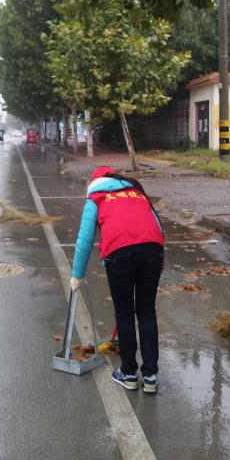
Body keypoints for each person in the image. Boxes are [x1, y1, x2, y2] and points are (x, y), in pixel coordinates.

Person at [71, 165, 165, 394]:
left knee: (124, 313)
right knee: (146, 312)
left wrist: (77, 276)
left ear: (94, 182)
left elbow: (84, 240)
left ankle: (129, 373)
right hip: (153, 251)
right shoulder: (136, 192)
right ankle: (150, 376)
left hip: (120, 254)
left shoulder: (96, 198)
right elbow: (158, 226)